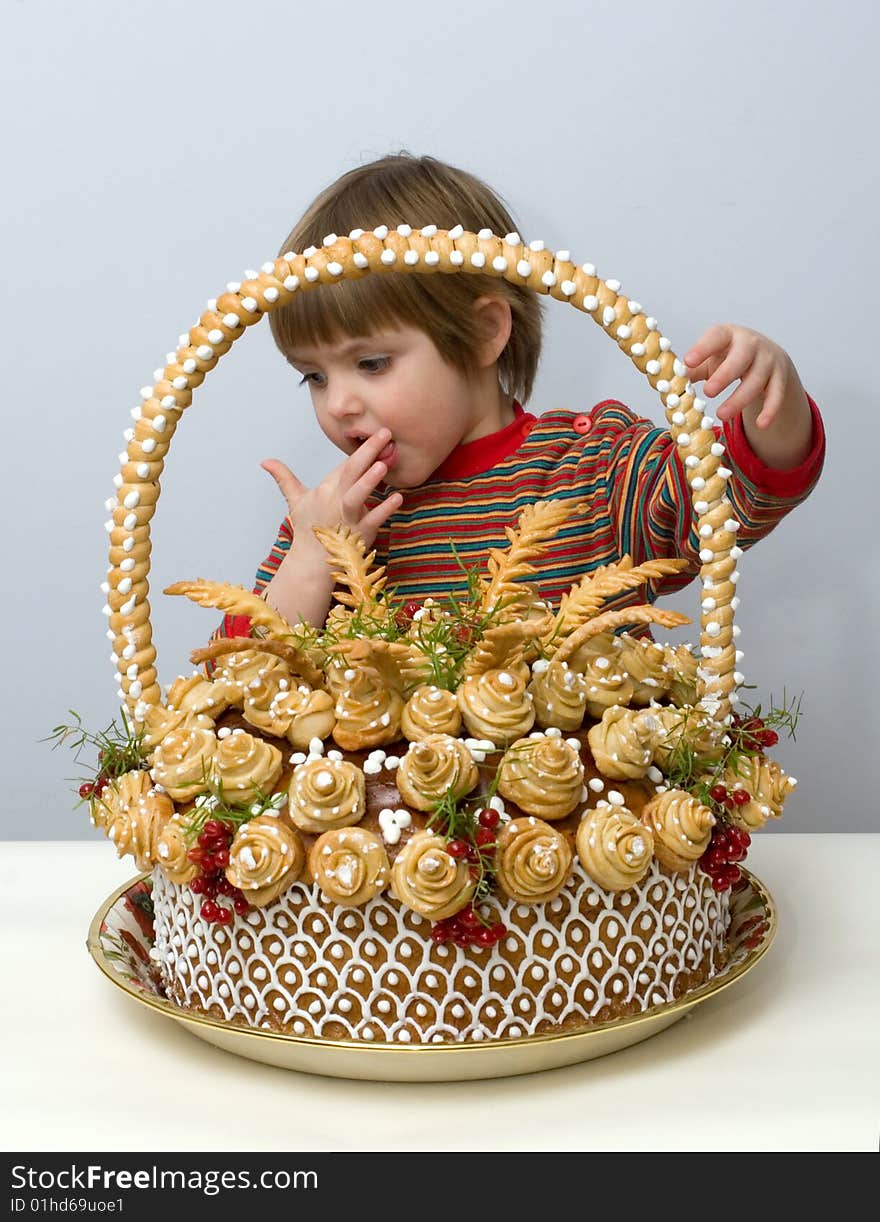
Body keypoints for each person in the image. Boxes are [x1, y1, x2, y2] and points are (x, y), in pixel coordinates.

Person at [214, 151, 825, 645]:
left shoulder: (592, 468)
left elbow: (739, 501)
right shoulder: (340, 516)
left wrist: (775, 400)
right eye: (313, 376)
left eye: (371, 363)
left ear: (484, 334)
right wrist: (311, 562)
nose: (338, 403)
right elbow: (235, 686)